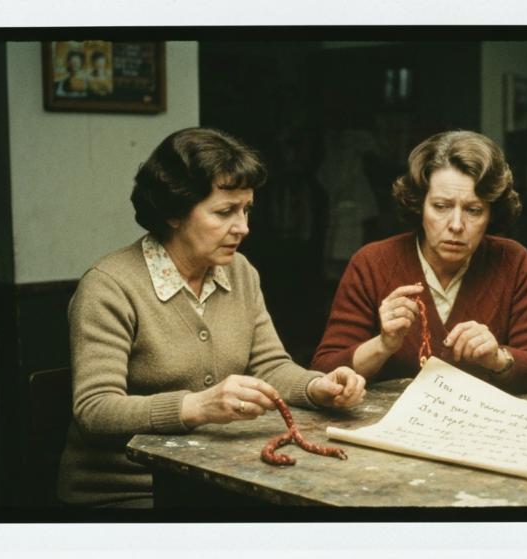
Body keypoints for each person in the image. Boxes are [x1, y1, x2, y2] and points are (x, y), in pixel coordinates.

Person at [58, 128, 367, 508]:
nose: (243, 227)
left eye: (246, 209)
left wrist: (316, 387)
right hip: (129, 491)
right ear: (173, 211)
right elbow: (95, 410)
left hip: (219, 479)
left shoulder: (240, 272)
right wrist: (198, 406)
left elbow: (269, 365)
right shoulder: (109, 287)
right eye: (224, 212)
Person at [311, 130, 527, 394]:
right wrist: (383, 345)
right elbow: (324, 372)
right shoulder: (371, 263)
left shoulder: (512, 262)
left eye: (473, 210)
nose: (456, 225)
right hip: (389, 426)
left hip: (483, 427)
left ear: (492, 213)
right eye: (441, 206)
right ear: (419, 205)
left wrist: (497, 359)